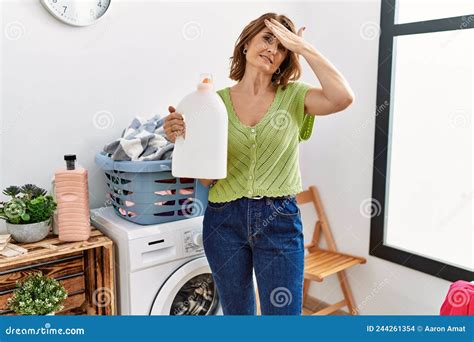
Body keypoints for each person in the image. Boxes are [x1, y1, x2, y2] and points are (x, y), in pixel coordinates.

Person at [164, 12, 354, 315]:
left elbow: (343, 97)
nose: (272, 49)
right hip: (223, 220)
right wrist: (182, 137)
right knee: (238, 317)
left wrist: (304, 48)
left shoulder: (295, 97)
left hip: (279, 219)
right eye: (267, 38)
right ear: (246, 43)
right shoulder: (215, 102)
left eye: (282, 47)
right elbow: (204, 179)